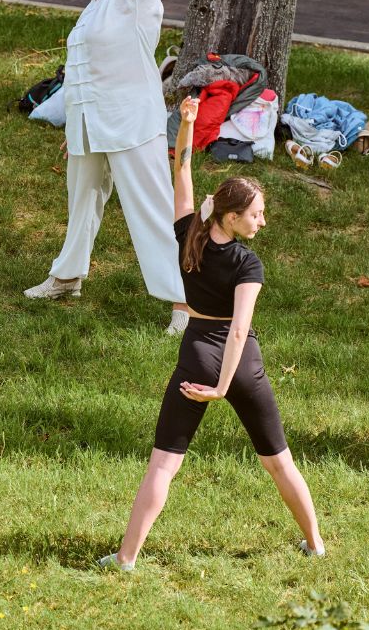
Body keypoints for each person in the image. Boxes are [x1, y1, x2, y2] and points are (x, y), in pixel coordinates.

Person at [99, 97, 324, 569]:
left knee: (164, 463)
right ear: (232, 217)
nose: (262, 221)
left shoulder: (189, 233)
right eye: (256, 214)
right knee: (278, 461)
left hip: (197, 353)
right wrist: (222, 388)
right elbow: (239, 331)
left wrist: (186, 123)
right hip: (241, 367)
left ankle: (125, 558)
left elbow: (181, 168)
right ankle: (315, 545)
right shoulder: (247, 264)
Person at [23, 0, 189, 334]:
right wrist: (76, 125)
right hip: (92, 126)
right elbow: (84, 71)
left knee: (152, 209)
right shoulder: (98, 7)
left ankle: (184, 300)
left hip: (132, 125)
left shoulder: (137, 1)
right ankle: (67, 276)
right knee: (82, 201)